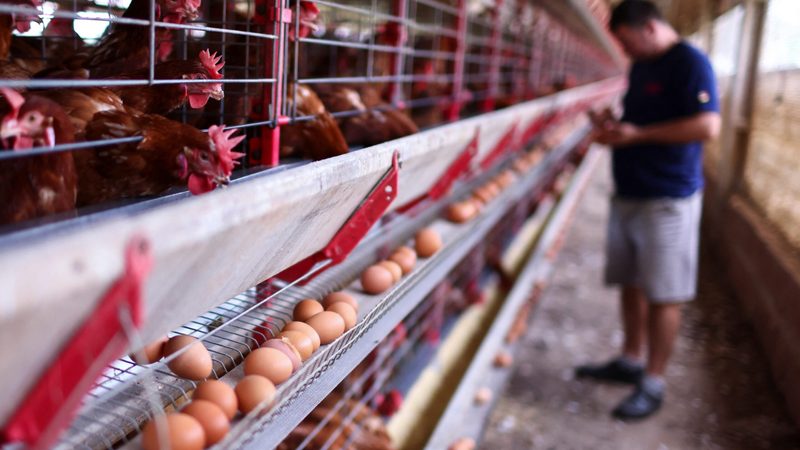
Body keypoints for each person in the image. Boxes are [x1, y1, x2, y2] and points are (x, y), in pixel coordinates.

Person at [577, 0, 721, 420]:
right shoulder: (642, 64)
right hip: (630, 191)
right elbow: (638, 117)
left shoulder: (690, 63)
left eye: (626, 41)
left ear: (650, 28)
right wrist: (612, 122)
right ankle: (631, 360)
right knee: (632, 282)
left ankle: (653, 382)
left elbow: (707, 126)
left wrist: (637, 135)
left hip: (667, 198)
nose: (625, 51)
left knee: (664, 292)